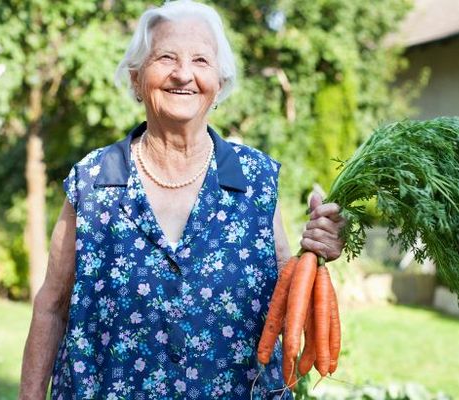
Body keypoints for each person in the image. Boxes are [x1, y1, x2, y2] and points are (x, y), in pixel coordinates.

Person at [19, 1, 345, 399]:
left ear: (219, 85)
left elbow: (285, 301)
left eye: (201, 61)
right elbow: (51, 305)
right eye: (166, 57)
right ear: (137, 79)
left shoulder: (255, 181)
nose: (183, 74)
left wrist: (317, 254)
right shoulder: (93, 182)